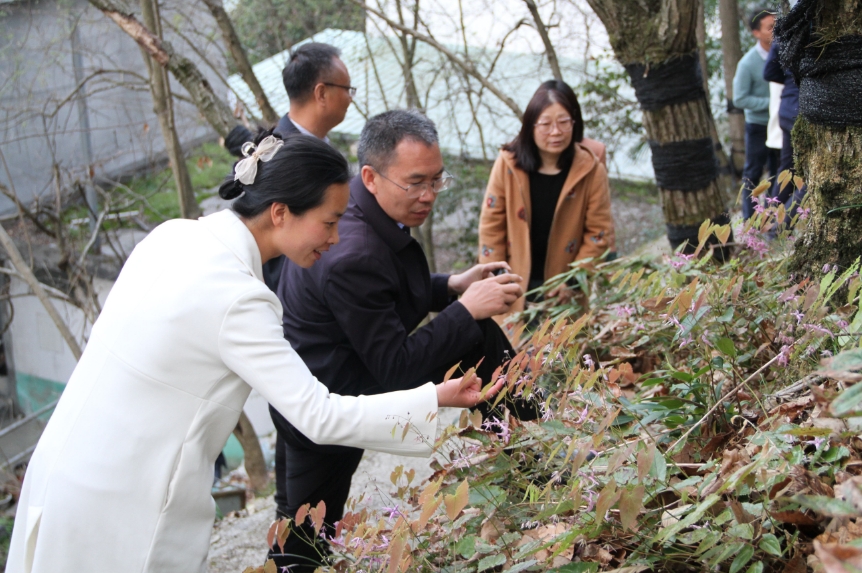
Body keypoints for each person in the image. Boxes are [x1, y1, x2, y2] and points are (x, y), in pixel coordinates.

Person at [6, 134, 500, 573]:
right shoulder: (240, 297)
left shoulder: (172, 235)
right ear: (280, 212)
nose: (335, 238)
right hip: (127, 504)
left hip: (61, 475)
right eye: (329, 222)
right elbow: (319, 417)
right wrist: (434, 398)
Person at [268, 110, 525, 570]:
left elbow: (382, 296)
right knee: (306, 534)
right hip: (328, 399)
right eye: (415, 183)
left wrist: (453, 286)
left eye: (436, 179)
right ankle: (532, 448)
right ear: (371, 176)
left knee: (297, 521)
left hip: (314, 377)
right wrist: (466, 308)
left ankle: (529, 444)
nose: (429, 195)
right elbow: (396, 367)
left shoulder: (357, 206)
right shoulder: (353, 251)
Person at [478, 80, 615, 323]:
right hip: (513, 285)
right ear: (530, 125)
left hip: (564, 292)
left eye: (563, 122)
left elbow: (599, 234)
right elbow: (491, 227)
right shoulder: (509, 164)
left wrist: (572, 282)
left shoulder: (590, 170)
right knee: (511, 346)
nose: (555, 132)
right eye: (545, 124)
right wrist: (497, 278)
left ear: (574, 123)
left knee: (562, 346)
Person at [224, 42, 356, 290]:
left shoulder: (318, 152)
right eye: (347, 89)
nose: (350, 98)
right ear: (321, 93)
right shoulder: (273, 157)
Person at [733, 8, 780, 220]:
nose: (775, 30)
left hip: (779, 125)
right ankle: (749, 221)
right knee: (752, 174)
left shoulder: (783, 54)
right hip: (758, 126)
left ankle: (774, 220)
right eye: (770, 27)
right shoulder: (747, 63)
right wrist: (772, 103)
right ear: (756, 33)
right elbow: (740, 99)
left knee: (779, 173)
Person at [763, 38, 806, 221]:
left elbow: (770, 72)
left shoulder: (786, 32)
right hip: (805, 112)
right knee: (810, 178)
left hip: (788, 109)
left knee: (787, 171)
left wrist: (791, 79)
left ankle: (768, 223)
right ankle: (779, 227)